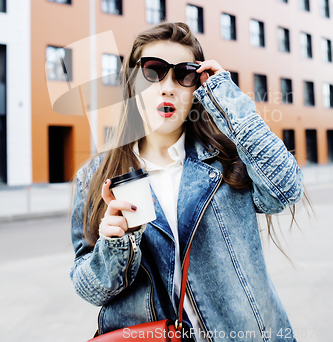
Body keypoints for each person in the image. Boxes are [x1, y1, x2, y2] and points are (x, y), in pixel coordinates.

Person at [70, 22, 304, 342]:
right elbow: (90, 287)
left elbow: (285, 189)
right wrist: (114, 246)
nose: (168, 86)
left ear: (198, 88)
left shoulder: (227, 161)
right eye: (153, 71)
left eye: (184, 74)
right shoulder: (95, 177)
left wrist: (226, 97)